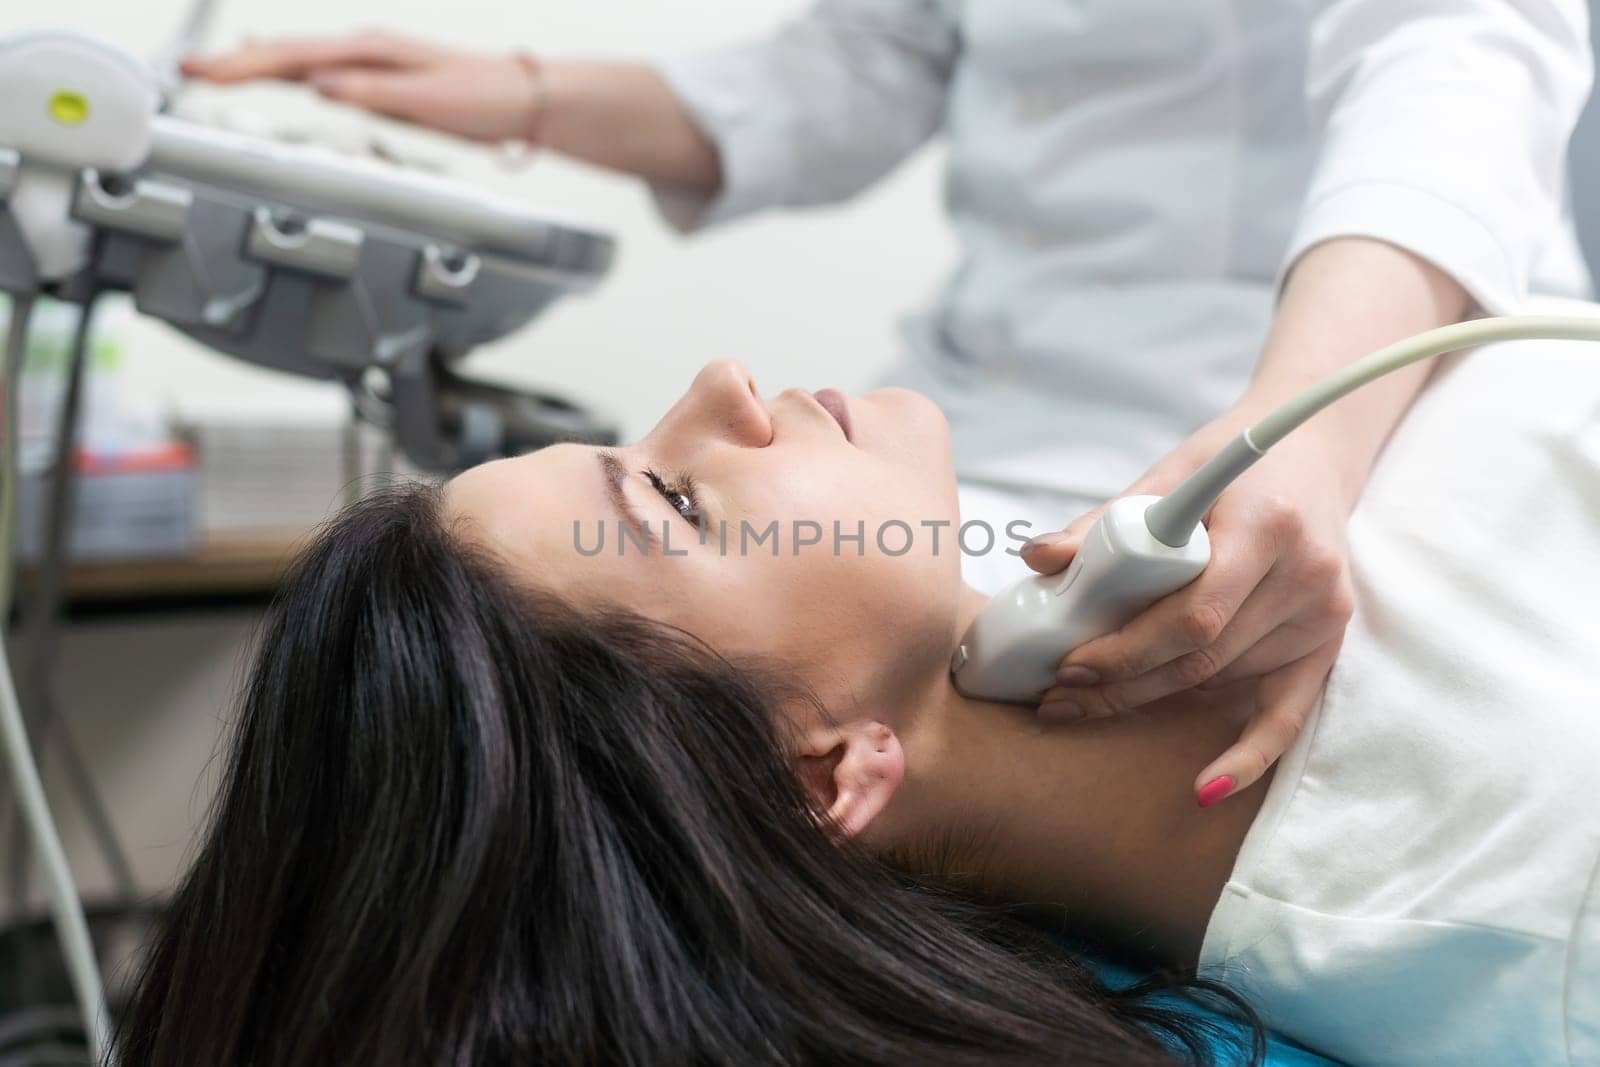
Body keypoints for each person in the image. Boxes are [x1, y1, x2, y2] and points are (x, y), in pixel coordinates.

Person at [183, 2, 1595, 811]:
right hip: (988, 427)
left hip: (1314, 397)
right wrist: (515, 94)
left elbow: (1460, 57)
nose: (726, 381)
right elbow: (867, 65)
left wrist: (1297, 431)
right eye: (653, 481)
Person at [116, 352, 1600, 1065]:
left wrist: (1312, 437)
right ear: (828, 771)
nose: (720, 386)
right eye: (679, 497)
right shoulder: (1527, 884)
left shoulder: (1096, 540)